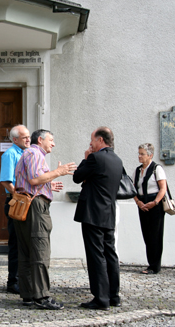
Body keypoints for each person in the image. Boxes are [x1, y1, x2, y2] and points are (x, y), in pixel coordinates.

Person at [14, 129, 76, 310]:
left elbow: (33, 180)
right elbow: (34, 180)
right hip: (35, 208)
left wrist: (48, 183)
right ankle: (41, 297)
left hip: (26, 205)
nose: (53, 144)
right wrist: (59, 171)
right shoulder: (34, 153)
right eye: (51, 140)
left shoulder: (28, 153)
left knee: (26, 252)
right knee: (40, 251)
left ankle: (27, 295)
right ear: (40, 140)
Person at [73, 127, 123, 310]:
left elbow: (77, 177)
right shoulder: (117, 159)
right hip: (108, 212)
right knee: (110, 253)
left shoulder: (95, 158)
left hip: (93, 213)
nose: (91, 144)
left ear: (100, 140)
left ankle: (101, 298)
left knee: (96, 255)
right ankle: (113, 295)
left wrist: (85, 158)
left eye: (92, 140)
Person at [0, 124, 30, 294]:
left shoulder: (27, 152)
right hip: (17, 202)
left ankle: (23, 278)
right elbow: (5, 181)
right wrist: (19, 197)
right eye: (24, 137)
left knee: (24, 243)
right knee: (16, 244)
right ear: (15, 139)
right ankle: (13, 281)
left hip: (26, 201)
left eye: (28, 136)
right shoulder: (10, 154)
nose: (28, 139)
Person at [132, 143, 167, 275]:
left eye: (142, 154)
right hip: (142, 203)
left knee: (155, 235)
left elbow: (163, 188)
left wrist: (155, 202)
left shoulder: (156, 169)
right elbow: (133, 188)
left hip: (155, 204)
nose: (139, 156)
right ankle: (150, 264)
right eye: (139, 153)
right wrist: (138, 202)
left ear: (150, 155)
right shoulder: (137, 170)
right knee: (146, 234)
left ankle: (155, 266)